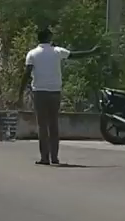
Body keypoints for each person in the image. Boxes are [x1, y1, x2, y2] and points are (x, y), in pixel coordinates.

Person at [16, 27, 98, 166]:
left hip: (40, 92)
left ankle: (44, 157)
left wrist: (20, 93)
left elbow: (26, 74)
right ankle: (55, 157)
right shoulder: (57, 51)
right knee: (53, 124)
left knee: (43, 125)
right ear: (49, 37)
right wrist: (92, 52)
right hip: (55, 92)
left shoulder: (32, 54)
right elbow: (74, 55)